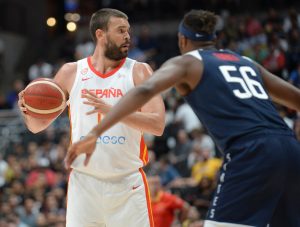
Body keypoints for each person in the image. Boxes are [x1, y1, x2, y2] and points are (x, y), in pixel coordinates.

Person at [66, 9, 300, 227]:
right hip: (290, 147)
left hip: (251, 150)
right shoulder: (246, 62)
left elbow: (145, 91)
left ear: (182, 40)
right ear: (214, 38)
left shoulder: (188, 62)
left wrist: (97, 131)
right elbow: (296, 98)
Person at [18, 8, 165, 227]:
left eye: (128, 31)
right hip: (84, 185)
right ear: (100, 34)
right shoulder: (71, 72)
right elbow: (37, 127)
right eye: (121, 31)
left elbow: (158, 125)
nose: (127, 36)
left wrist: (113, 112)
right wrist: (28, 109)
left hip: (127, 184)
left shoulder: (139, 71)